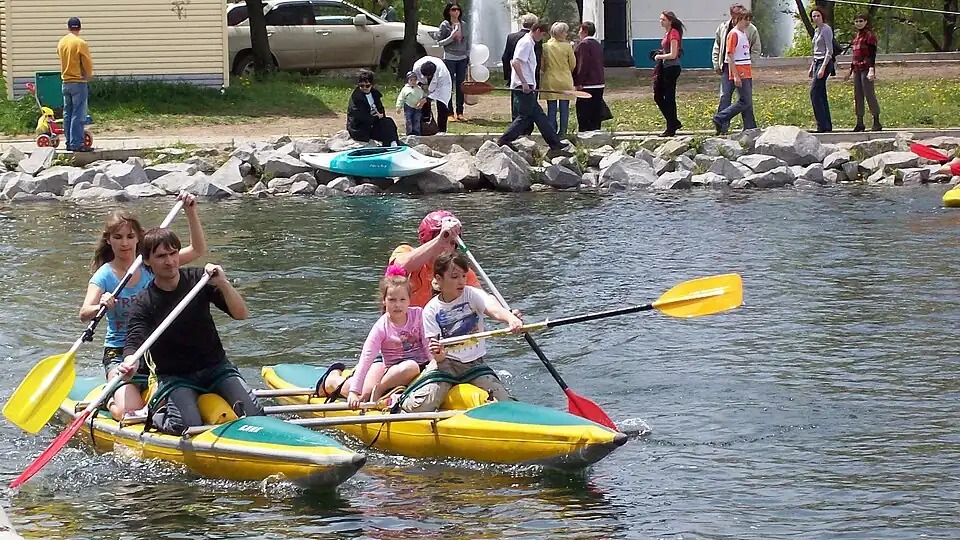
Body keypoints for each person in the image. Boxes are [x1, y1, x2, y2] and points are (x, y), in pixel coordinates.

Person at [119, 228, 264, 435]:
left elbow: (241, 314)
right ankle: (159, 411)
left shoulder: (199, 281)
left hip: (216, 367)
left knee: (256, 414)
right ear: (147, 261)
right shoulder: (144, 302)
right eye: (161, 256)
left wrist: (223, 283)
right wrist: (129, 361)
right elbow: (134, 340)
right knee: (188, 427)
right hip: (176, 376)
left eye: (173, 253)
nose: (170, 261)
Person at [79, 193, 206, 421]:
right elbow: (84, 314)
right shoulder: (105, 275)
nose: (125, 243)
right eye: (118, 237)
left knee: (166, 406)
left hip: (155, 350)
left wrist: (191, 211)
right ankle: (109, 400)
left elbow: (197, 250)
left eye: (130, 236)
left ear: (139, 237)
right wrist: (101, 303)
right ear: (109, 240)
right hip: (119, 352)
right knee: (131, 413)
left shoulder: (152, 263)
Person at [400, 252, 524, 413]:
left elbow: (494, 309)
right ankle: (398, 400)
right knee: (420, 407)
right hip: (445, 364)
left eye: (464, 276)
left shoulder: (471, 294)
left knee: (506, 403)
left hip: (474, 364)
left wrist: (511, 319)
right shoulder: (431, 310)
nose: (461, 281)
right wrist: (438, 353)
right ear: (438, 279)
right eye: (454, 277)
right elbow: (437, 354)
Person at [315, 265, 436, 406]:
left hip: (422, 367)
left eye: (402, 300)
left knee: (415, 366)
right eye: (392, 300)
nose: (397, 305)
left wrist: (435, 366)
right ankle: (333, 381)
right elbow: (366, 358)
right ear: (384, 301)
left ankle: (376, 388)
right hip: (395, 372)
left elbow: (428, 344)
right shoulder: (381, 327)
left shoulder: (419, 315)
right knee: (364, 395)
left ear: (409, 300)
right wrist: (354, 392)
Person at [497, 22, 568, 157]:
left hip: (527, 84)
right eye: (542, 35)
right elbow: (515, 62)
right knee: (525, 116)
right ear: (537, 31)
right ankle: (504, 139)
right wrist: (523, 83)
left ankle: (554, 142)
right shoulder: (526, 43)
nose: (541, 38)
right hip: (523, 85)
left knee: (538, 115)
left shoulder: (529, 43)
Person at [389, 210, 481, 308]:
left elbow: (482, 298)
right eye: (445, 240)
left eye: (452, 243)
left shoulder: (461, 272)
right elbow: (400, 267)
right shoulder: (405, 251)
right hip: (406, 321)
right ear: (428, 239)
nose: (447, 248)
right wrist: (439, 240)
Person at [712, 4, 761, 134]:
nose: (747, 21)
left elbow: (755, 48)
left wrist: (750, 61)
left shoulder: (749, 30)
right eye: (741, 16)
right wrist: (717, 63)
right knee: (726, 96)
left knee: (745, 100)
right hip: (732, 67)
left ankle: (749, 127)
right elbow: (722, 49)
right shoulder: (727, 29)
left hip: (744, 67)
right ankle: (721, 123)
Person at [57, 17, 94, 152]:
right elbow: (86, 61)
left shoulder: (62, 42)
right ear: (79, 27)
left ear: (68, 28)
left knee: (67, 113)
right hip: (78, 82)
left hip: (65, 81)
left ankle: (68, 142)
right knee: (79, 113)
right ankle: (77, 144)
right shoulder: (80, 43)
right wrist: (88, 74)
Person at [502, 13, 542, 130]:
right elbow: (538, 58)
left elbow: (506, 57)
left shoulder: (512, 37)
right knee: (530, 107)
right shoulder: (534, 39)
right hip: (528, 77)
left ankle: (515, 125)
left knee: (516, 104)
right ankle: (525, 129)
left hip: (515, 77)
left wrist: (508, 76)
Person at [845, 12, 881, 132]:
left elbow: (872, 55)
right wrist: (850, 71)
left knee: (869, 94)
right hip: (857, 69)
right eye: (857, 21)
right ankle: (860, 122)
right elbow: (855, 56)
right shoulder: (856, 37)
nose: (859, 23)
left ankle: (876, 121)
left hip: (866, 68)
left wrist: (871, 69)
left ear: (866, 22)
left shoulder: (869, 36)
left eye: (861, 21)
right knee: (858, 95)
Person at [541, 22, 577, 137]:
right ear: (561, 34)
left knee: (551, 109)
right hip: (565, 78)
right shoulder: (567, 47)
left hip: (550, 79)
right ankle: (563, 132)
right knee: (564, 108)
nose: (567, 34)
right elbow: (573, 64)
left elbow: (542, 65)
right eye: (565, 32)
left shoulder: (545, 46)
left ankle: (551, 132)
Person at [346, 69, 399, 146]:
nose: (364, 88)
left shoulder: (375, 94)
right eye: (361, 85)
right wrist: (376, 118)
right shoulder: (356, 98)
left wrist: (381, 116)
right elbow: (359, 115)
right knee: (385, 128)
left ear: (372, 85)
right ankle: (390, 144)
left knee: (388, 122)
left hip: (373, 123)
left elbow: (380, 108)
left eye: (367, 86)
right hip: (360, 128)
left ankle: (393, 143)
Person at [653, 11, 684, 137]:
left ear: (670, 21)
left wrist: (659, 56)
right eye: (660, 19)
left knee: (669, 98)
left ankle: (671, 127)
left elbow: (673, 54)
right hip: (665, 67)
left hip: (671, 68)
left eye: (664, 20)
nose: (661, 22)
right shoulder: (667, 33)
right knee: (658, 95)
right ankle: (673, 121)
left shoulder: (674, 33)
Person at [437, 3, 469, 122]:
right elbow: (440, 42)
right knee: (448, 85)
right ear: (449, 12)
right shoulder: (445, 25)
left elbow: (467, 41)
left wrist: (468, 54)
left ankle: (460, 112)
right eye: (453, 10)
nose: (456, 12)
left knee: (461, 86)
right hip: (450, 57)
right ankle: (449, 112)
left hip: (462, 58)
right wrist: (451, 36)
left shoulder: (464, 24)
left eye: (458, 10)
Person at [574, 21, 607, 132]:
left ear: (585, 31)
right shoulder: (597, 44)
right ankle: (596, 131)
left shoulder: (584, 45)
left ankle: (585, 132)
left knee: (583, 110)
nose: (579, 33)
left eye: (580, 30)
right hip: (599, 82)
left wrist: (579, 82)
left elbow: (583, 64)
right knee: (595, 110)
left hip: (588, 83)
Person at [809, 7, 834, 133]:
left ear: (822, 16)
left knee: (814, 93)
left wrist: (822, 68)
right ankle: (826, 126)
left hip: (825, 62)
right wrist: (812, 67)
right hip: (817, 62)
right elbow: (815, 52)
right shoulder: (816, 30)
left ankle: (821, 124)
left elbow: (829, 50)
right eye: (814, 16)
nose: (816, 18)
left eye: (818, 15)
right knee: (821, 94)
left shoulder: (826, 29)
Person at [413, 57, 453, 134]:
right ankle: (426, 126)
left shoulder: (442, 73)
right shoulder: (417, 67)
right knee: (423, 103)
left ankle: (442, 130)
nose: (427, 77)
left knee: (442, 105)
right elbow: (414, 80)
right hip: (422, 83)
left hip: (441, 86)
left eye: (429, 76)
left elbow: (440, 92)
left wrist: (427, 99)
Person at [396, 70, 426, 136]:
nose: (413, 82)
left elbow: (423, 96)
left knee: (417, 120)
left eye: (414, 80)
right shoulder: (405, 89)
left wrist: (421, 103)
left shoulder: (419, 88)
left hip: (417, 107)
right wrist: (398, 106)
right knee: (408, 121)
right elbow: (401, 98)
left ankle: (417, 133)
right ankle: (409, 133)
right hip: (408, 106)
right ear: (408, 80)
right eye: (411, 80)